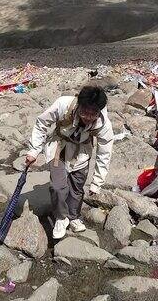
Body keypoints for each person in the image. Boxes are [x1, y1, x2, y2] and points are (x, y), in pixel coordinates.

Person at [25, 85, 114, 239]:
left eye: (93, 114)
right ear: (79, 104)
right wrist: (34, 150)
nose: (87, 117)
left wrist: (97, 182)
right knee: (58, 187)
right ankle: (61, 217)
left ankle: (73, 217)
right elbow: (41, 123)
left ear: (99, 111)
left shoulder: (103, 123)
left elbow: (104, 153)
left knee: (77, 188)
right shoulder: (63, 105)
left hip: (82, 153)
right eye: (84, 112)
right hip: (58, 149)